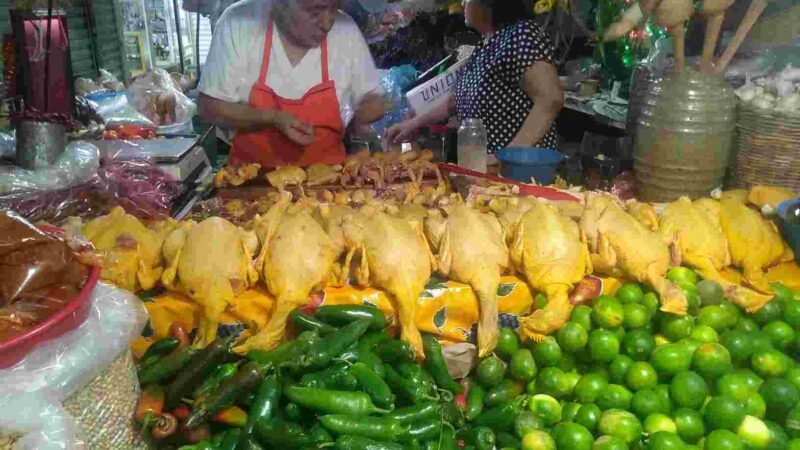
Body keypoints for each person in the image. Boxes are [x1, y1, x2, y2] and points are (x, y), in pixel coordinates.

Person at [198, 0, 386, 167]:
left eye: (334, 8)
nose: (327, 23)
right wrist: (271, 118)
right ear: (280, 4)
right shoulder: (238, 23)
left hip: (329, 183)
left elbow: (371, 98)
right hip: (251, 182)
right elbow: (209, 108)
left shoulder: (346, 30)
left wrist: (367, 110)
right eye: (315, 11)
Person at [386, 0, 563, 155]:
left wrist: (508, 156)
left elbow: (550, 99)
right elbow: (455, 103)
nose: (462, 3)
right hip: (484, 167)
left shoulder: (522, 35)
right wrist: (412, 124)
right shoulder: (484, 46)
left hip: (520, 171)